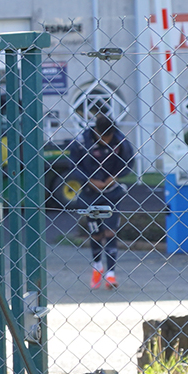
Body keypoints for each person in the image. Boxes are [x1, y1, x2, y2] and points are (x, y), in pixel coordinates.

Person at [69, 108, 135, 290]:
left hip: (112, 192)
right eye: (103, 137)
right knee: (96, 233)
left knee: (111, 231)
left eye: (109, 137)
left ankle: (111, 274)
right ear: (96, 132)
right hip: (90, 193)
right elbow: (73, 164)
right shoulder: (82, 142)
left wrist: (114, 177)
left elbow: (128, 162)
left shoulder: (120, 141)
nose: (106, 141)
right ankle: (97, 267)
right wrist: (90, 181)